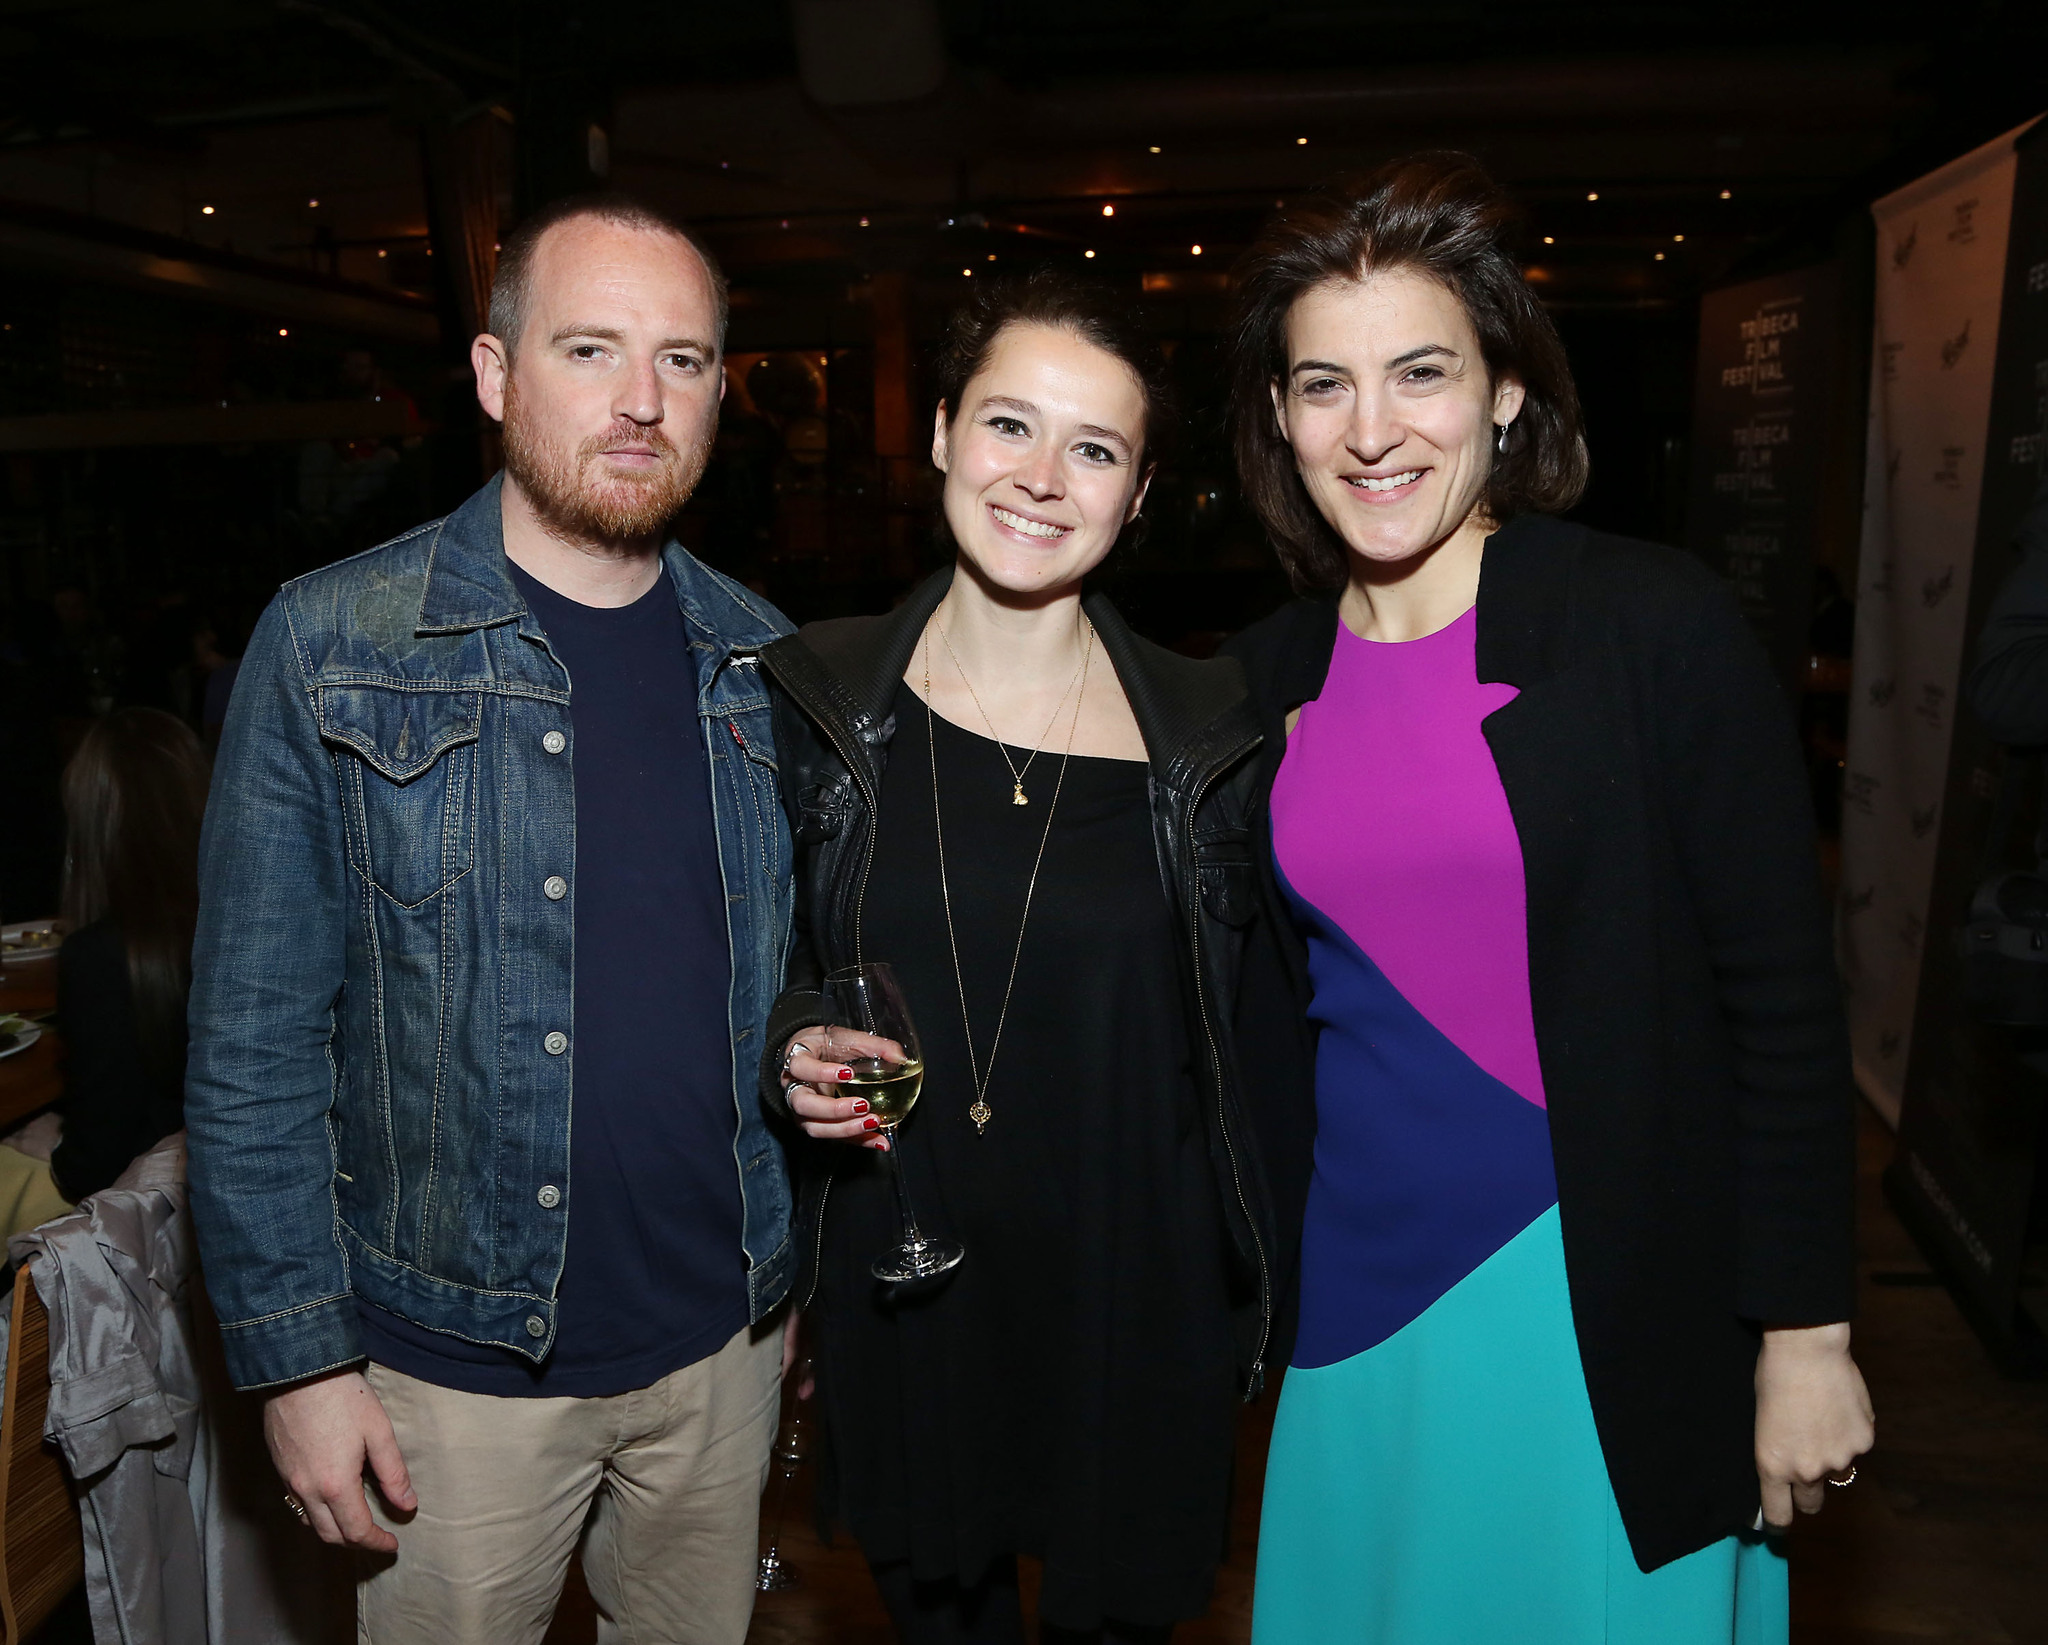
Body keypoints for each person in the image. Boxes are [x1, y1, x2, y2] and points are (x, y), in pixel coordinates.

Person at [1218, 154, 1874, 1644]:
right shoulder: (1259, 680)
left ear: (1505, 391)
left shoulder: (1651, 626)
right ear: (1278, 414)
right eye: (1324, 384)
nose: (1372, 431)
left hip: (1602, 1303)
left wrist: (1806, 1327)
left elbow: (1779, 999)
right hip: (1357, 1310)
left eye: (1422, 374)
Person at [184, 194, 799, 1645]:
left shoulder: (769, 663)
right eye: (591, 350)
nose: (643, 402)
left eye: (686, 361)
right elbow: (252, 1042)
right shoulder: (333, 642)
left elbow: (783, 1001)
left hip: (721, 1358)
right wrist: (296, 1367)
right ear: (493, 372)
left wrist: (794, 1292)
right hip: (446, 1379)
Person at [765, 271, 1287, 1644]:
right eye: (1010, 424)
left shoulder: (1221, 731)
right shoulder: (812, 700)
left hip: (1140, 1296)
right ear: (940, 432)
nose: (1043, 479)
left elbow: (1273, 1030)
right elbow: (761, 966)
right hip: (913, 1289)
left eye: (1095, 448)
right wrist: (793, 1045)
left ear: (1139, 489)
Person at [0, 707, 207, 1232]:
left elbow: (95, 1164)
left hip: (139, 1207)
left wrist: (52, 1145)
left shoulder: (101, 955)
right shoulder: (240, 917)